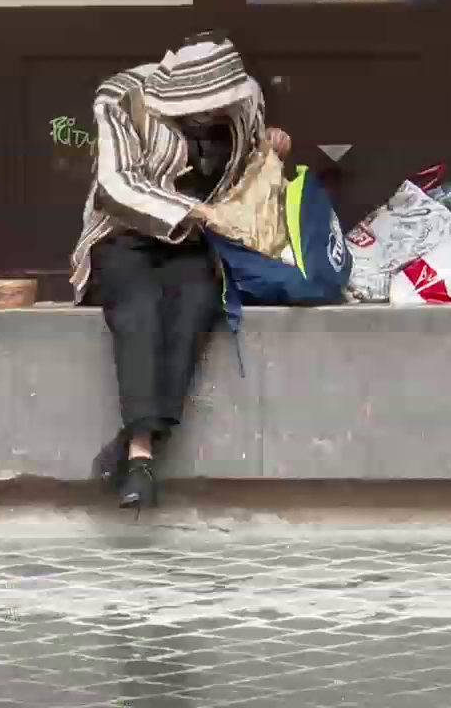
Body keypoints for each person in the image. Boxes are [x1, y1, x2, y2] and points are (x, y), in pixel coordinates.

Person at [70, 35, 291, 512]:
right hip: (125, 233)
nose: (210, 116)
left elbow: (246, 160)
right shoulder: (121, 97)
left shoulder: (245, 98)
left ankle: (136, 452)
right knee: (139, 309)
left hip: (195, 242)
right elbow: (116, 185)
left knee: (196, 305)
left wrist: (269, 147)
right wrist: (195, 212)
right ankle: (143, 455)